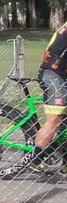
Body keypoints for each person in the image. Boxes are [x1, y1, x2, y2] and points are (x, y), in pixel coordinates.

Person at [30, 21, 67, 174]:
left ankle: (65, 161)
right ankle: (36, 159)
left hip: (61, 74)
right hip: (53, 75)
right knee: (55, 119)